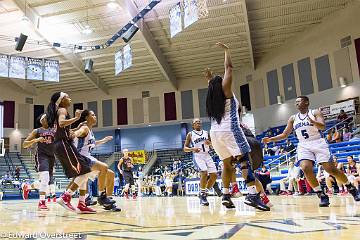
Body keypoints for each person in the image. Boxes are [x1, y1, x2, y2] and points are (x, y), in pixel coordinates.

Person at [205, 42, 269, 211]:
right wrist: (227, 51)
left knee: (227, 165)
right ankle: (252, 195)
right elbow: (229, 68)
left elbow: (212, 83)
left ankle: (226, 195)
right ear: (222, 84)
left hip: (215, 133)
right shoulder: (226, 91)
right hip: (230, 130)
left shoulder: (212, 96)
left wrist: (210, 78)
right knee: (244, 161)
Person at [263, 96, 360, 207]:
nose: (297, 104)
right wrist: (271, 139)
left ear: (306, 102)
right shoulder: (293, 118)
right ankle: (321, 194)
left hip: (318, 142)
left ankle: (350, 187)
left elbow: (323, 127)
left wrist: (313, 122)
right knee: (305, 168)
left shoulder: (315, 112)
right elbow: (285, 134)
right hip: (303, 145)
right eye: (296, 102)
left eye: (299, 101)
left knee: (331, 169)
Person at [46, 92, 110, 213]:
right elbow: (61, 123)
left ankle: (81, 203)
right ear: (62, 100)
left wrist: (75, 128)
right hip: (63, 144)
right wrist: (76, 118)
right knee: (84, 171)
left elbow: (64, 130)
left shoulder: (59, 111)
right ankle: (66, 197)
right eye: (67, 97)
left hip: (62, 144)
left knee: (84, 173)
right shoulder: (62, 110)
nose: (70, 99)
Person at [73, 109, 119, 211]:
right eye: (93, 115)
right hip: (82, 159)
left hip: (87, 157)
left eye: (95, 115)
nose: (95, 117)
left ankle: (108, 201)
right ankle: (101, 196)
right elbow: (77, 133)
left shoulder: (90, 131)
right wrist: (74, 133)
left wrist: (103, 141)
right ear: (86, 118)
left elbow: (92, 144)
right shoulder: (84, 128)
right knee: (103, 168)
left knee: (110, 174)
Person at [23, 113, 56, 211]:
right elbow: (24, 144)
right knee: (45, 177)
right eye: (44, 117)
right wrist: (36, 139)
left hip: (52, 157)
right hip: (42, 156)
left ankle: (28, 187)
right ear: (41, 121)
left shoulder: (54, 129)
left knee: (45, 181)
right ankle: (42, 202)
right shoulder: (37, 131)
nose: (46, 118)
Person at [183, 118, 218, 206]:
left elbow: (213, 145)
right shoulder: (190, 134)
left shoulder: (206, 133)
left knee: (214, 175)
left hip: (207, 155)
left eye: (199, 122)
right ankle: (203, 195)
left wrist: (210, 144)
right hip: (198, 156)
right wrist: (192, 149)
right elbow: (185, 148)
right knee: (204, 172)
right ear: (193, 125)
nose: (198, 124)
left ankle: (204, 192)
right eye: (196, 123)